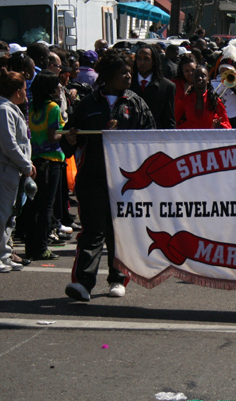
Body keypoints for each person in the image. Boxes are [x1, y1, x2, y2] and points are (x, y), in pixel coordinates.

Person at [62, 49, 156, 302]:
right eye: (123, 72)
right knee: (92, 232)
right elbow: (69, 141)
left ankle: (118, 278)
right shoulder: (87, 104)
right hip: (92, 178)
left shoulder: (136, 104)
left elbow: (151, 140)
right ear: (108, 75)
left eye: (130, 72)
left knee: (120, 232)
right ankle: (82, 283)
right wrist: (70, 138)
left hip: (127, 182)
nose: (129, 76)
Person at [0, 73, 36, 272]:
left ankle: (2, 253)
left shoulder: (7, 108)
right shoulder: (2, 110)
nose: (26, 93)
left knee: (6, 215)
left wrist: (25, 164)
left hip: (7, 167)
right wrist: (26, 165)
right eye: (24, 89)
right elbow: (8, 144)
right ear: (17, 91)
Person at [22, 72, 67, 261]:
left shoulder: (31, 106)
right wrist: (67, 131)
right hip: (51, 161)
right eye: (57, 86)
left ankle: (30, 247)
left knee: (32, 205)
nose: (59, 89)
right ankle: (41, 247)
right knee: (46, 206)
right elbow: (52, 136)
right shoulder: (53, 107)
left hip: (33, 160)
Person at [130, 43, 176, 129]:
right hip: (130, 134)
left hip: (155, 134)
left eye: (146, 59)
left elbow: (169, 120)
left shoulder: (166, 86)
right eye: (139, 59)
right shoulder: (127, 84)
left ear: (154, 61)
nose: (142, 63)